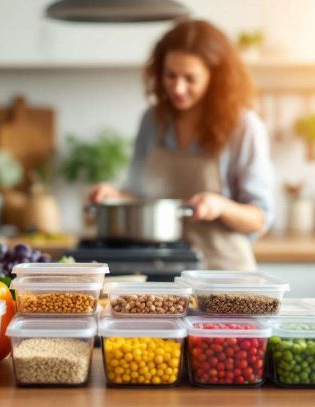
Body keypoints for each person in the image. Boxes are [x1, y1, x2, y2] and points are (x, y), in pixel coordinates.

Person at [88, 20, 274, 271]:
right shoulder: (153, 121)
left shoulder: (244, 126)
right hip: (160, 271)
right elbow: (140, 196)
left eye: (190, 78)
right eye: (170, 75)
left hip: (223, 273)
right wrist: (114, 197)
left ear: (215, 77)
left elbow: (259, 218)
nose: (178, 88)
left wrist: (220, 206)